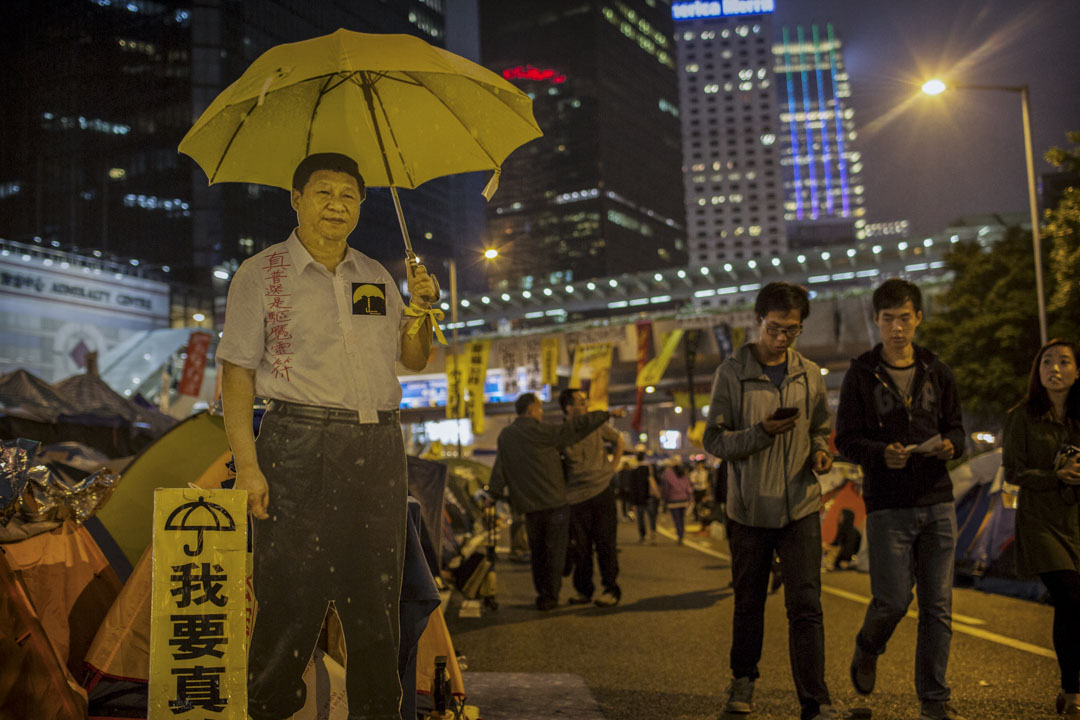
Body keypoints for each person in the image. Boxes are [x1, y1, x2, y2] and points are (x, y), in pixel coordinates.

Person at [217, 152, 438, 720]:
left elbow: (412, 361)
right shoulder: (259, 274)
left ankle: (376, 711)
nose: (336, 204)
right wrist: (248, 464)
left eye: (348, 195)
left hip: (379, 445)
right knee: (291, 597)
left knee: (375, 601)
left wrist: (423, 310)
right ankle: (268, 707)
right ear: (296, 199)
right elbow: (237, 373)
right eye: (323, 192)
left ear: (361, 205)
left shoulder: (377, 275)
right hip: (298, 442)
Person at [835, 278, 966, 720]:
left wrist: (951, 446)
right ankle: (868, 646)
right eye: (888, 319)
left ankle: (934, 700)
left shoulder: (938, 370)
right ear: (876, 321)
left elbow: (957, 429)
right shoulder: (861, 375)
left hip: (937, 500)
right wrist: (880, 454)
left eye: (904, 318)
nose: (896, 328)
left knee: (938, 606)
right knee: (892, 600)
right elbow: (846, 440)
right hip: (888, 504)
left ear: (918, 319)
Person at [703, 281, 835, 720]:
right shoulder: (731, 372)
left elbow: (820, 426)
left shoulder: (810, 373)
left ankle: (815, 700)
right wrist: (760, 433)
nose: (782, 338)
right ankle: (743, 680)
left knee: (806, 604)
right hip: (749, 509)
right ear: (758, 320)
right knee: (750, 601)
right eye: (775, 328)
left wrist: (820, 452)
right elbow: (715, 441)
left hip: (799, 505)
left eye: (792, 331)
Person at [1002, 339, 1080, 720]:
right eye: (1047, 361)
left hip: (1075, 519)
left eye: (1065, 362)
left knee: (1072, 607)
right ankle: (1073, 690)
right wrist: (1055, 475)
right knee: (1069, 597)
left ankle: (1069, 692)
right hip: (1040, 522)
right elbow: (1014, 471)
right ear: (1038, 372)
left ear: (1077, 371)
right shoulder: (1022, 416)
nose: (1055, 368)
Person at [487, 393, 619, 611]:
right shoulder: (543, 431)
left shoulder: (506, 436)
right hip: (555, 503)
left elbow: (500, 467)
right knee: (555, 552)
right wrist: (604, 415)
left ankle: (544, 594)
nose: (541, 413)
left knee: (538, 552)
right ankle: (551, 594)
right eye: (539, 409)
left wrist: (492, 494)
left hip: (529, 505)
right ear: (531, 409)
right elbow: (573, 429)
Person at [560, 388, 625, 607]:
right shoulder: (562, 432)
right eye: (581, 401)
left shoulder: (596, 425)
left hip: (601, 491)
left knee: (606, 543)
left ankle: (611, 590)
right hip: (576, 497)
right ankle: (584, 591)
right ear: (568, 408)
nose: (586, 404)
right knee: (581, 548)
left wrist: (612, 467)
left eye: (586, 400)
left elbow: (619, 440)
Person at [627, 450, 660, 543]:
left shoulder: (633, 472)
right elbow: (656, 482)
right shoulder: (649, 470)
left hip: (638, 499)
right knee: (652, 516)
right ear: (644, 458)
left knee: (641, 518)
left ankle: (643, 536)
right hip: (649, 496)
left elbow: (632, 488)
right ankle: (653, 531)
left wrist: (632, 503)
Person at [660, 456, 693, 544]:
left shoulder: (667, 473)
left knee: (677, 519)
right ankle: (681, 534)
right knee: (682, 518)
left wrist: (664, 498)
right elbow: (688, 487)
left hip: (673, 499)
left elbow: (666, 488)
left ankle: (680, 535)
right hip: (684, 499)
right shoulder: (684, 473)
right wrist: (690, 497)